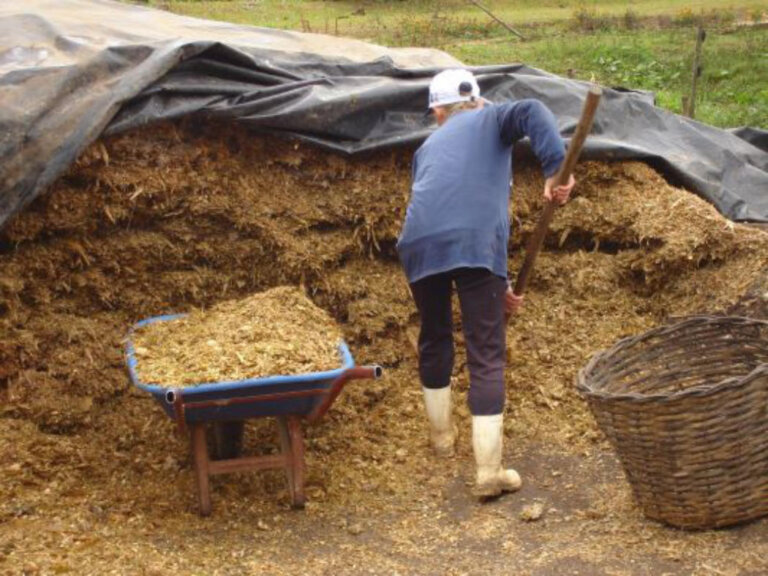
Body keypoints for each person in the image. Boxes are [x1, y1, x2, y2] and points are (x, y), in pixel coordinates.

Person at [396, 69, 575, 498]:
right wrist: (555, 167)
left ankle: (441, 442)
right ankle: (488, 472)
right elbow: (532, 110)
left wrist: (502, 283)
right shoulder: (493, 120)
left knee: (435, 336)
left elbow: (447, 203)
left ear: (438, 110)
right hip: (475, 241)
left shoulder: (425, 147)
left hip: (418, 244)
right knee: (486, 350)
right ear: (476, 100)